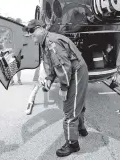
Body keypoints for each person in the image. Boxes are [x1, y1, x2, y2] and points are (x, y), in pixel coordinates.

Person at [24, 19, 89, 157]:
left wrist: (64, 87)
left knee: (69, 108)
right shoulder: (46, 41)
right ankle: (81, 128)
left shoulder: (51, 43)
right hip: (75, 69)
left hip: (76, 71)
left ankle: (72, 144)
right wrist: (49, 79)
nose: (32, 38)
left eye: (33, 34)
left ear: (39, 29)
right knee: (77, 102)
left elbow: (63, 67)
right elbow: (53, 65)